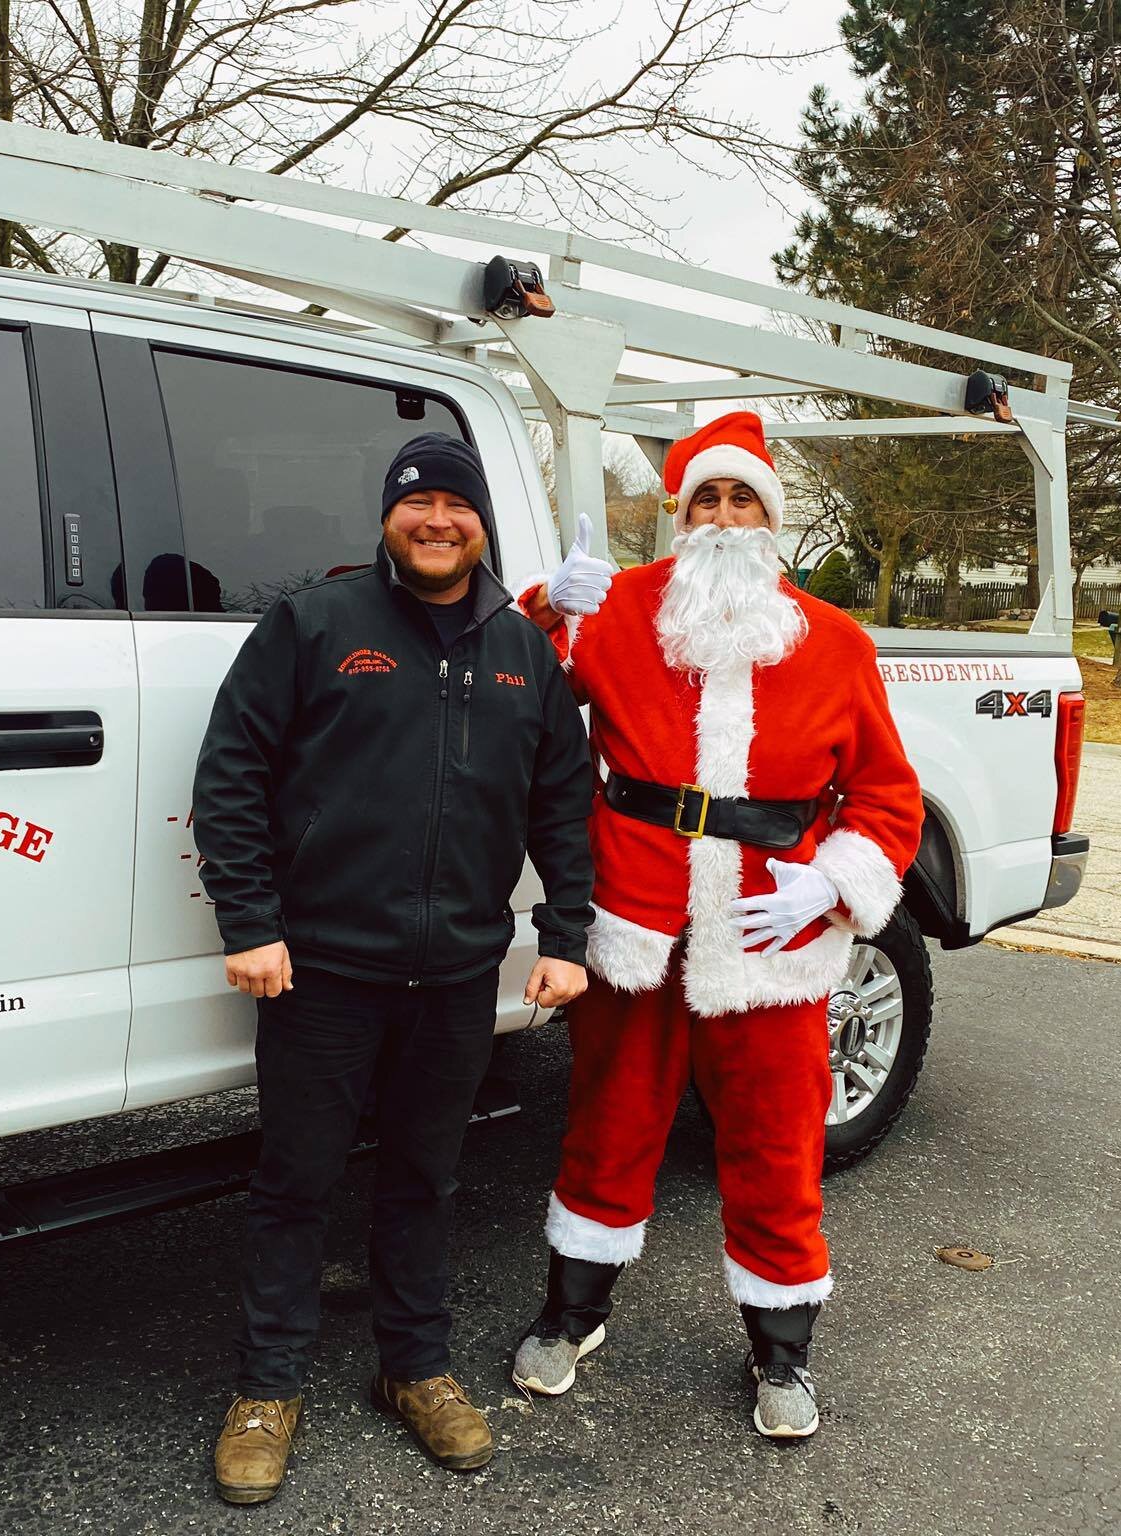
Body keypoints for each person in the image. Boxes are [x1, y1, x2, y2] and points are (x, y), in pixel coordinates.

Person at [192, 432, 595, 1505]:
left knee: (425, 1178)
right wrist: (249, 921)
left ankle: (412, 1367)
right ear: (388, 518)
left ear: (479, 525)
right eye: (417, 506)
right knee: (295, 1182)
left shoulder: (521, 651)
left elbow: (563, 800)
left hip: (456, 974)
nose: (436, 522)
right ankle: (267, 1388)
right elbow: (232, 767)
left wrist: (564, 937)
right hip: (321, 969)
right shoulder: (316, 623)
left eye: (455, 507)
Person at [507, 411, 923, 1439]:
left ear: (769, 519)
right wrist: (539, 611)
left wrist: (830, 885)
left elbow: (885, 797)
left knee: (776, 1145)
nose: (724, 516)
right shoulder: (619, 612)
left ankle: (781, 1352)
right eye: (706, 498)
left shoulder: (833, 641)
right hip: (634, 922)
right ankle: (572, 1313)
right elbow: (512, 687)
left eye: (743, 499)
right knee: (606, 1121)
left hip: (771, 939)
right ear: (677, 516)